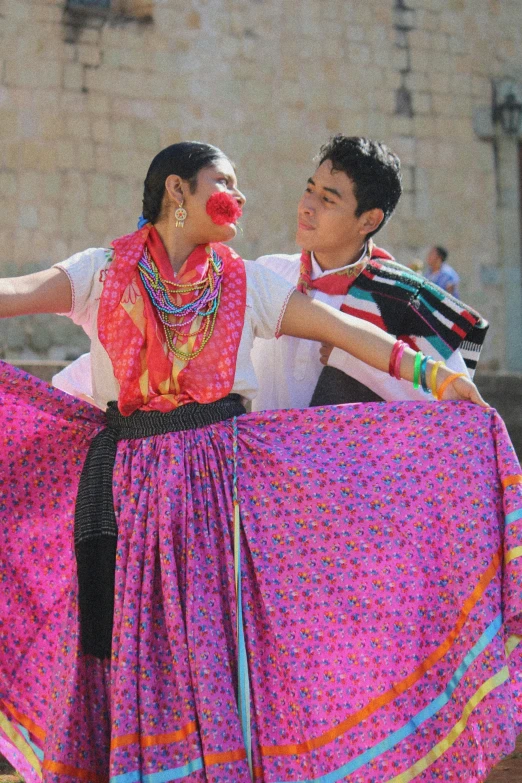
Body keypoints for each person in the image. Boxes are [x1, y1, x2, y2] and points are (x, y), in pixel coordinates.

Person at [0, 142, 521, 783]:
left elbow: (346, 332)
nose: (241, 197)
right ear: (176, 192)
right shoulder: (101, 273)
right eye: (224, 181)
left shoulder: (246, 282)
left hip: (223, 503)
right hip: (129, 499)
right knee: (138, 652)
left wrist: (436, 377)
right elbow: (17, 293)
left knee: (221, 662)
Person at [250, 136, 486, 411]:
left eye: (327, 199)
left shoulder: (405, 299)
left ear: (368, 220)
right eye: (309, 189)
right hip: (256, 453)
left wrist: (362, 364)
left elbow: (452, 406)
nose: (306, 206)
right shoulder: (268, 272)